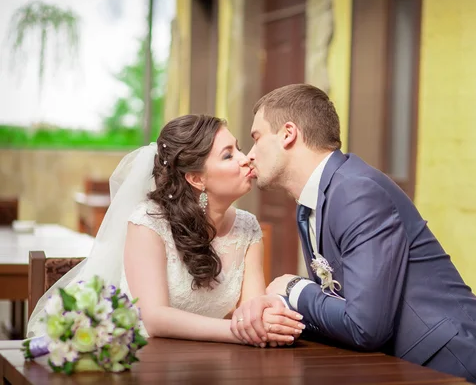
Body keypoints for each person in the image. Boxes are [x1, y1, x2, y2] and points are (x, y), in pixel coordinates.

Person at [231, 84, 476, 384]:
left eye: (256, 138)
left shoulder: (355, 190)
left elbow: (365, 327)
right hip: (397, 364)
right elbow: (339, 300)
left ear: (288, 133)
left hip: (461, 366)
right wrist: (285, 312)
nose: (250, 155)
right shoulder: (309, 205)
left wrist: (294, 289)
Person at [27, 114, 302, 347]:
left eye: (239, 148)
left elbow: (249, 312)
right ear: (196, 178)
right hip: (135, 354)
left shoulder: (248, 228)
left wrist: (268, 319)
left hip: (205, 359)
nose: (246, 159)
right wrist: (238, 332)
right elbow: (155, 318)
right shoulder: (148, 223)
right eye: (229, 155)